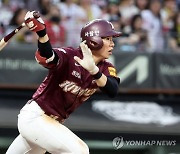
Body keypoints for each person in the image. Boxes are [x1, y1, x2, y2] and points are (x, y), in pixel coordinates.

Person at [6, 11, 121, 154]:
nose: (112, 44)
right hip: (35, 117)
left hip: (50, 125)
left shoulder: (105, 68)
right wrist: (42, 34)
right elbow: (48, 56)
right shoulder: (70, 55)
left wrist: (94, 70)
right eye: (108, 38)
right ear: (94, 40)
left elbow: (113, 89)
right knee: (80, 151)